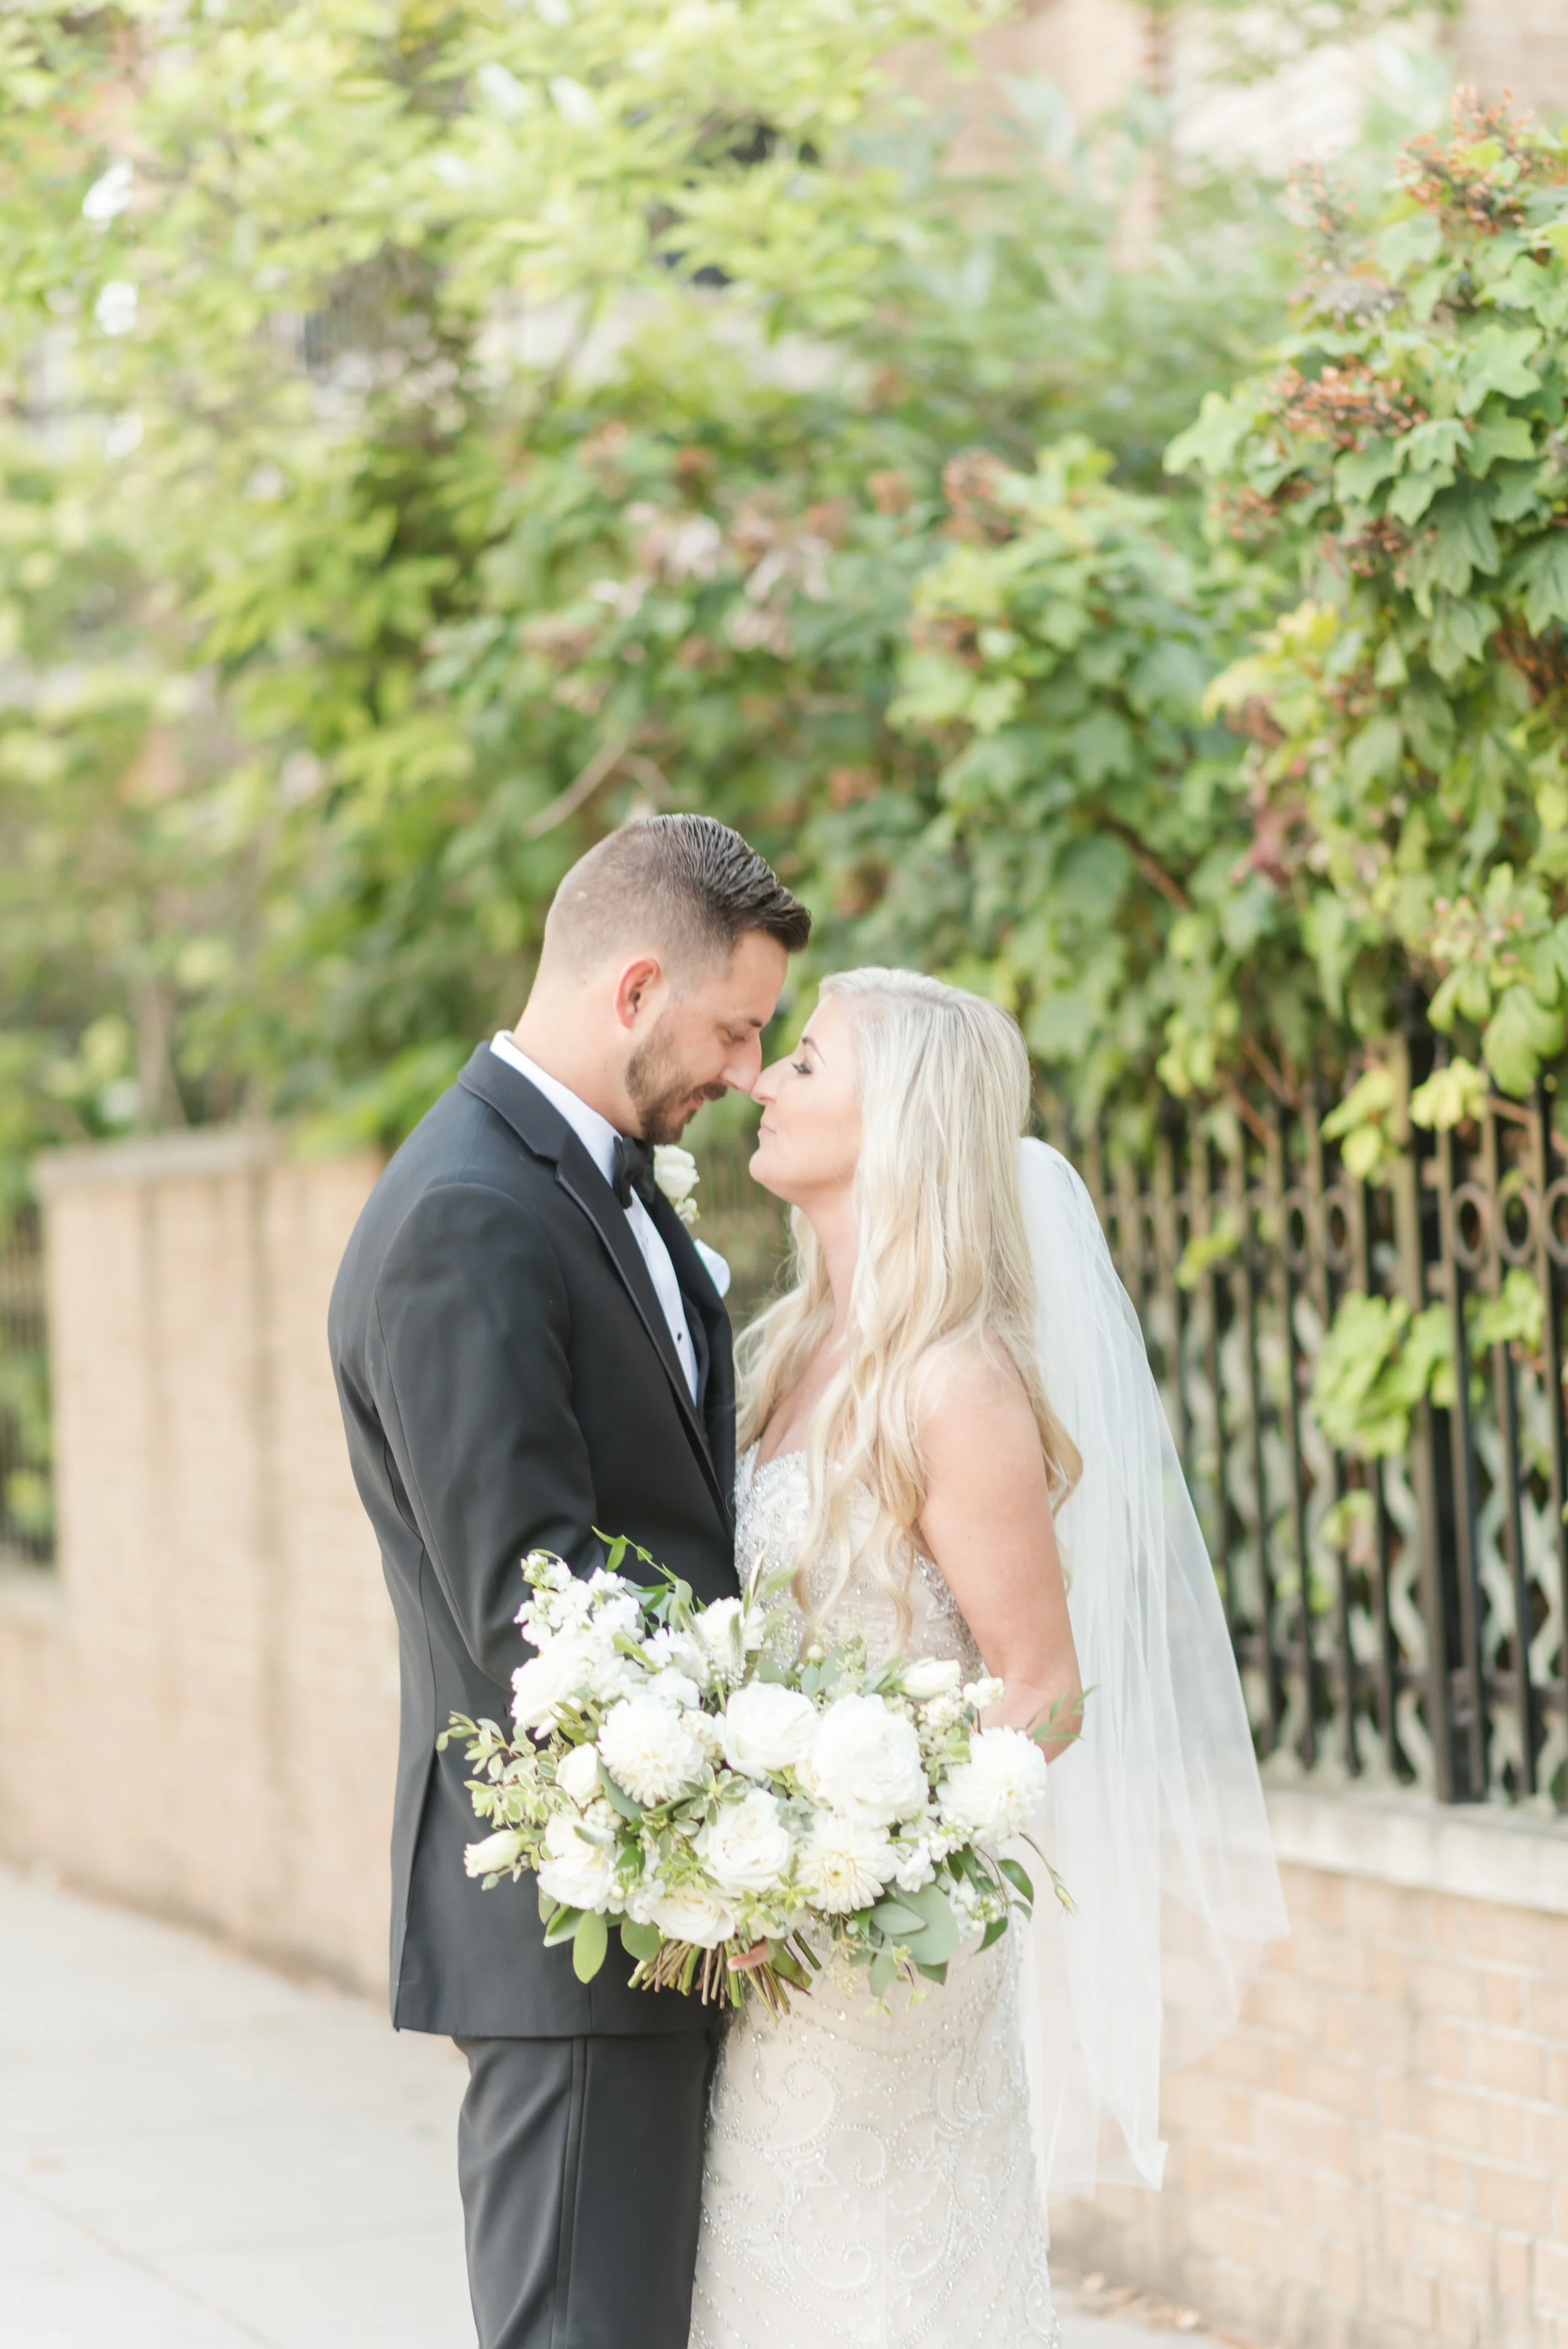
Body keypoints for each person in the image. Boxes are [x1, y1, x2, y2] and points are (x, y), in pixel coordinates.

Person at [688, 968, 1287, 2349]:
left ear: (896, 1123)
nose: (763, 1079)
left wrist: (845, 1867)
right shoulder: (788, 1353)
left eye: (807, 1062)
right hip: (764, 1954)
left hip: (878, 1954)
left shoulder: (952, 1382)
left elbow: (1042, 1688)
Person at [327, 814, 810, 2349]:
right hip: (581, 1920)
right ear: (635, 989)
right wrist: (729, 1836)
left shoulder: (594, 1183)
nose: (745, 1070)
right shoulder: (468, 1214)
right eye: (733, 1029)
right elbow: (531, 1602)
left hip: (647, 1921)